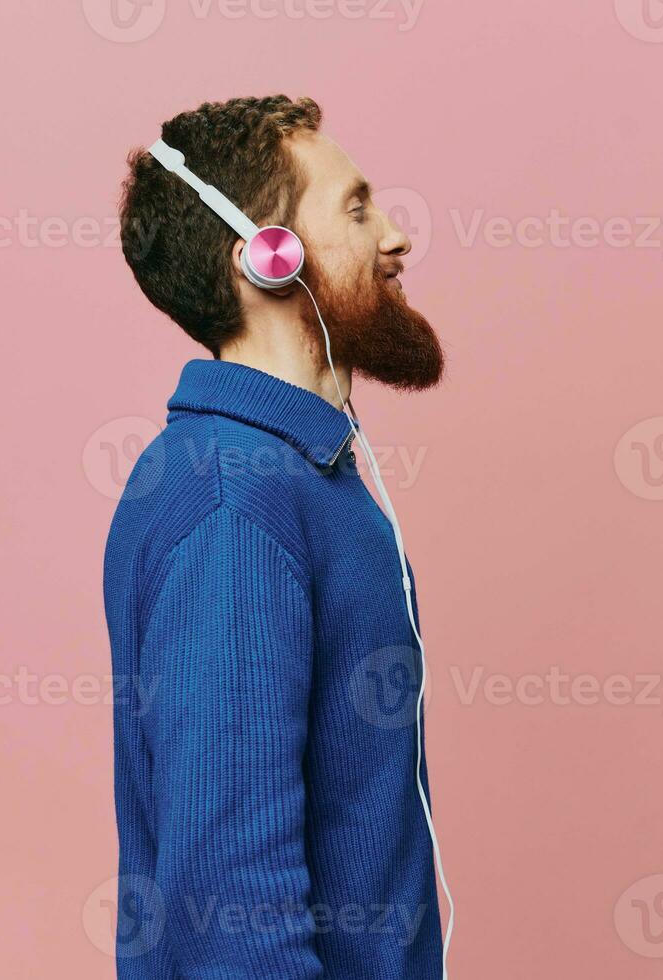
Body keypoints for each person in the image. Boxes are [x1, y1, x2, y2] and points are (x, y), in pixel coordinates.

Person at [103, 94, 448, 979]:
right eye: (359, 209)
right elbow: (233, 914)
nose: (398, 238)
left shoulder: (296, 474)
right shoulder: (234, 503)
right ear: (267, 256)